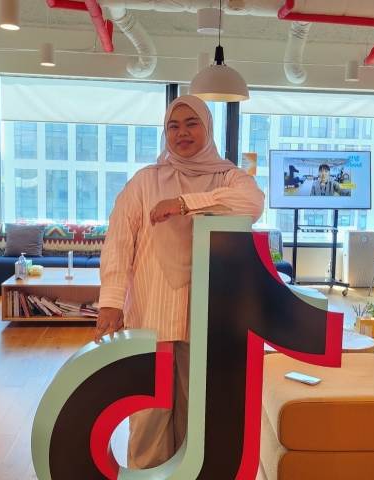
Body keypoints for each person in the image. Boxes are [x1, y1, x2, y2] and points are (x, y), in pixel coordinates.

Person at [94, 95, 264, 469]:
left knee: (198, 411)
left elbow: (252, 204)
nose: (182, 132)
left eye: (191, 123)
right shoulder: (144, 181)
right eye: (174, 125)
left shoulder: (228, 177)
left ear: (207, 128)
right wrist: (111, 300)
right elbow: (119, 241)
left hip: (207, 316)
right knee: (148, 414)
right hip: (151, 313)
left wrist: (184, 202)